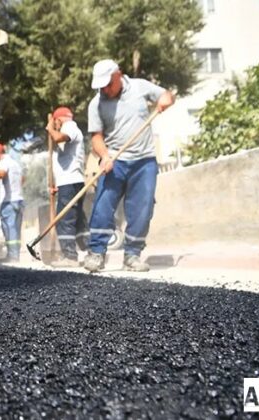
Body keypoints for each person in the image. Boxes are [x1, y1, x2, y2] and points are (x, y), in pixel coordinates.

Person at [84, 59, 174, 273]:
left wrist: (165, 100)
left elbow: (167, 95)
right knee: (102, 207)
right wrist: (104, 156)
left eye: (108, 84)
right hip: (114, 161)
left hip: (144, 161)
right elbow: (96, 138)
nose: (105, 89)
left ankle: (132, 255)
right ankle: (96, 253)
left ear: (118, 74)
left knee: (142, 209)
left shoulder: (140, 87)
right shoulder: (95, 104)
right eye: (101, 86)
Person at [45, 106, 88, 267]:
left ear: (58, 119)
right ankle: (89, 251)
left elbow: (58, 137)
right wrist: (57, 185)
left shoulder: (70, 127)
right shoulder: (69, 128)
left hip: (70, 182)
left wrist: (50, 128)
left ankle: (70, 256)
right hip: (68, 182)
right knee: (77, 220)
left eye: (55, 122)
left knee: (65, 219)